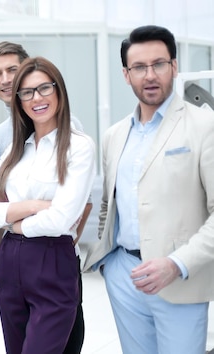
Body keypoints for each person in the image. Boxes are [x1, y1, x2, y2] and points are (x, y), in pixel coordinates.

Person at [83, 25, 214, 354]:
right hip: (124, 275)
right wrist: (108, 263)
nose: (150, 75)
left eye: (159, 64)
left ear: (175, 67)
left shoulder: (204, 127)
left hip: (179, 280)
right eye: (139, 67)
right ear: (126, 75)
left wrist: (175, 264)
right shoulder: (114, 135)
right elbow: (107, 206)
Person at [0, 56, 96, 354]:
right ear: (19, 101)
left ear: (59, 91)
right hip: (9, 261)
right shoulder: (15, 151)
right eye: (27, 92)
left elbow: (61, 220)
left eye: (44, 88)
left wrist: (12, 223)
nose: (36, 98)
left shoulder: (78, 147)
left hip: (52, 259)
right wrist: (32, 206)